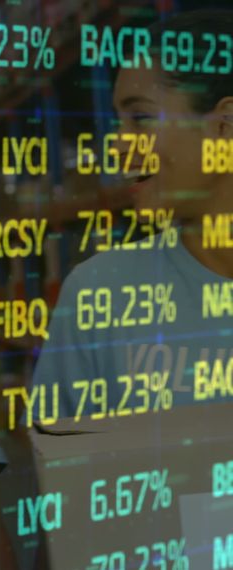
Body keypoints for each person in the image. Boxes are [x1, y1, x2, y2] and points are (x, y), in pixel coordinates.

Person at [31, 9, 233, 419]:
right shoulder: (97, 294)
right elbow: (54, 453)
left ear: (224, 127)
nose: (117, 146)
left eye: (140, 118)